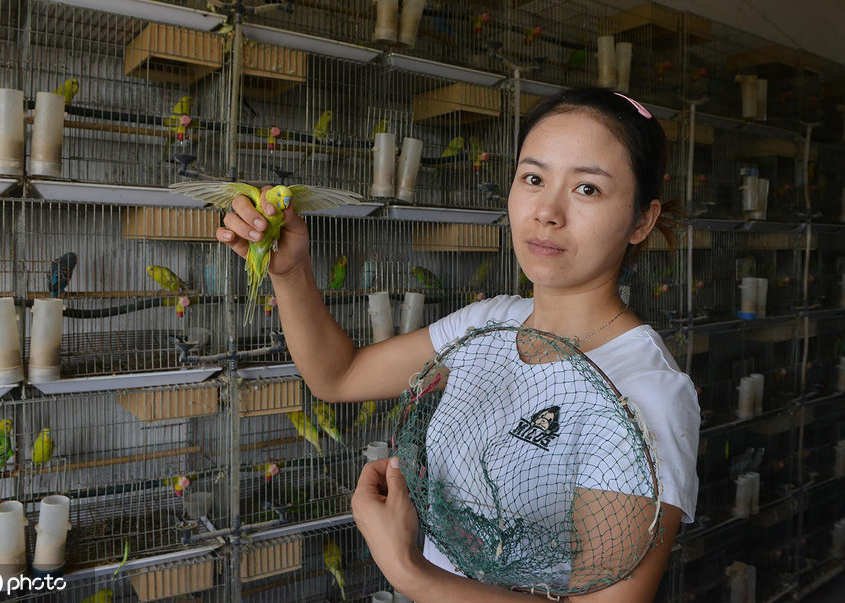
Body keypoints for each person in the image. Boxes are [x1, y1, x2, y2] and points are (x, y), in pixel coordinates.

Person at [216, 87, 700, 602]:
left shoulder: (644, 393)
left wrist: (408, 570)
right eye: (533, 179)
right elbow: (340, 375)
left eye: (587, 190)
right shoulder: (489, 323)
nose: (547, 212)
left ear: (641, 221)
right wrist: (290, 271)